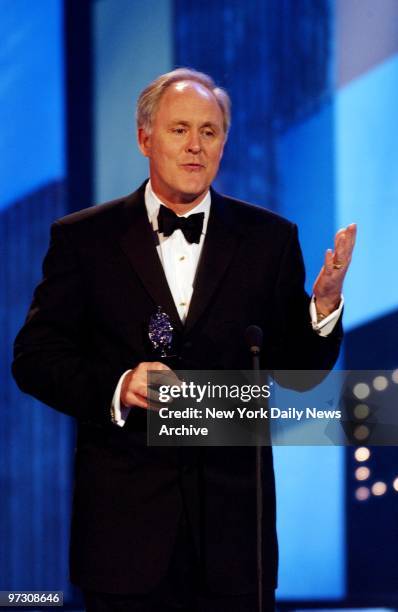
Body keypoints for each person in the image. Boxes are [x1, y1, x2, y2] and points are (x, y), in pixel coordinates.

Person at [12, 68, 356, 611]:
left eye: (210, 131)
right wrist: (119, 385)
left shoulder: (269, 240)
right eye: (179, 130)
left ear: (224, 142)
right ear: (145, 138)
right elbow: (34, 358)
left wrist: (324, 306)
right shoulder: (83, 239)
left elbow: (300, 370)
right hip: (124, 535)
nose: (196, 146)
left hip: (236, 539)